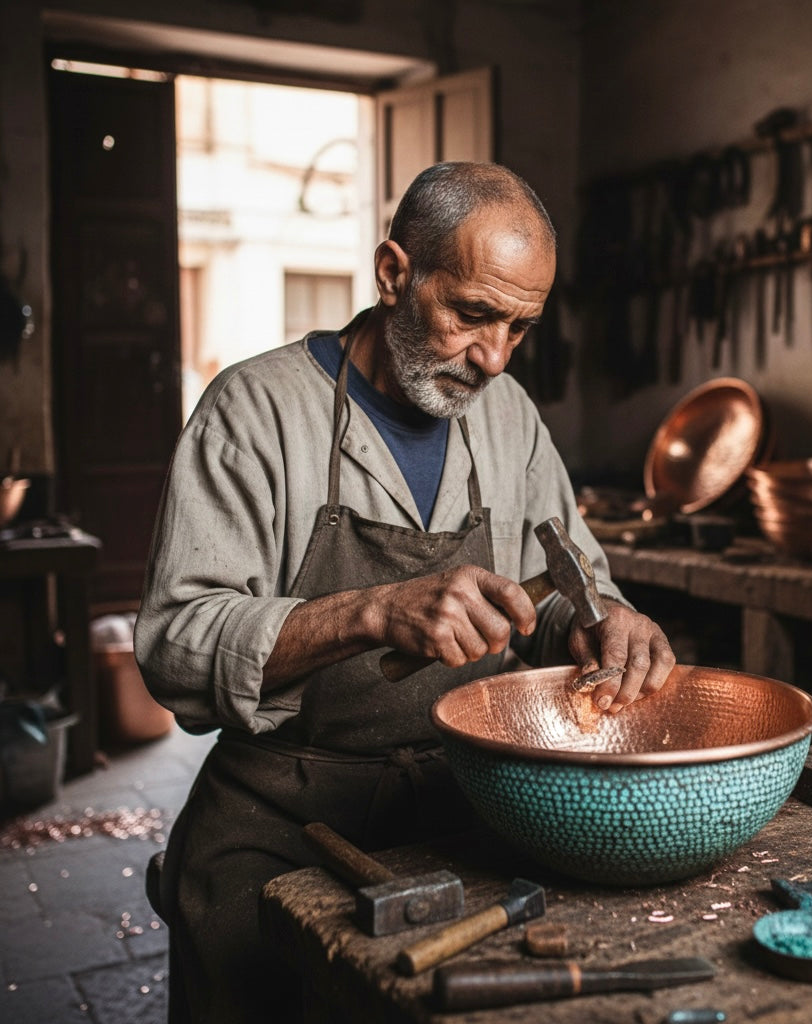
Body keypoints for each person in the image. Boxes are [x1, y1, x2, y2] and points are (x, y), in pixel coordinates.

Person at [135, 160, 674, 1023]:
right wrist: (372, 611)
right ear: (393, 275)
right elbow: (176, 649)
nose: (495, 357)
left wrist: (603, 625)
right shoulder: (255, 411)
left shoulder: (511, 420)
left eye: (520, 327)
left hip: (469, 808)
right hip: (281, 819)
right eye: (472, 314)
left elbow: (571, 590)